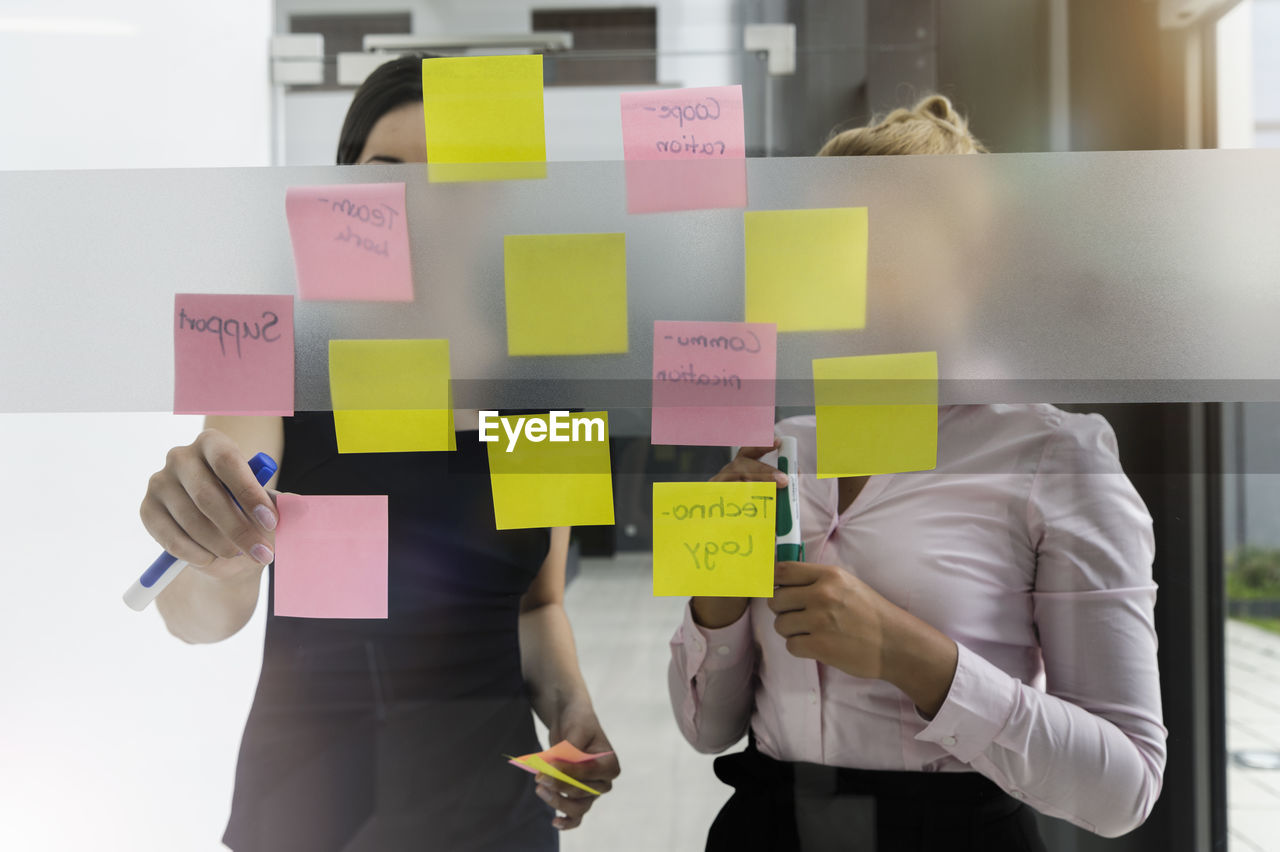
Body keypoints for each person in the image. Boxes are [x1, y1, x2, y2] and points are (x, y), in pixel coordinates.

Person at [140, 54, 618, 852]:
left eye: (452, 174)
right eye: (386, 172)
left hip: (496, 811)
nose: (417, 202)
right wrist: (207, 552)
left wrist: (572, 707)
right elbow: (203, 617)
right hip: (316, 812)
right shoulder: (285, 356)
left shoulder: (544, 379)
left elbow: (537, 605)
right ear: (343, 190)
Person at [668, 95, 1166, 851]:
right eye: (828, 243)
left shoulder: (1053, 455)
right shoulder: (773, 448)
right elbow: (706, 731)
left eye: (884, 244)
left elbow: (1125, 789)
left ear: (971, 261)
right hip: (763, 828)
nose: (852, 272)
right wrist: (715, 599)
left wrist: (913, 656)